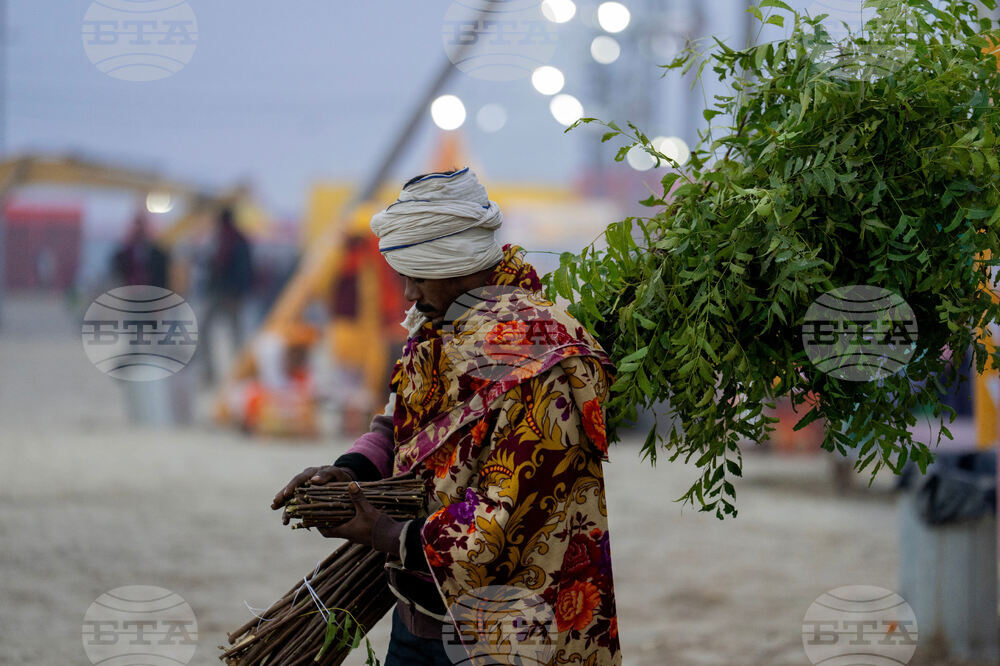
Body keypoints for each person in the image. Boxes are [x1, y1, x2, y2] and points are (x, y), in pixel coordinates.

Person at [272, 168, 622, 665]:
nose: (409, 294)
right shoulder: (438, 323)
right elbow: (401, 424)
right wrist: (351, 472)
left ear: (459, 264)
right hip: (416, 617)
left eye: (417, 277)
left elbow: (506, 510)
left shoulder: (539, 353)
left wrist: (386, 534)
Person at [200, 206, 254, 385]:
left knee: (227, 334)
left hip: (226, 295)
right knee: (234, 335)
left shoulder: (230, 241)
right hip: (224, 295)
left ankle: (234, 374)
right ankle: (235, 374)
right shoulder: (233, 239)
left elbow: (242, 270)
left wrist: (235, 293)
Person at [110, 212, 170, 288]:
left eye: (142, 226)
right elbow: (117, 274)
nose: (139, 230)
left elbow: (163, 279)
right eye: (137, 226)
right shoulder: (123, 255)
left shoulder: (159, 254)